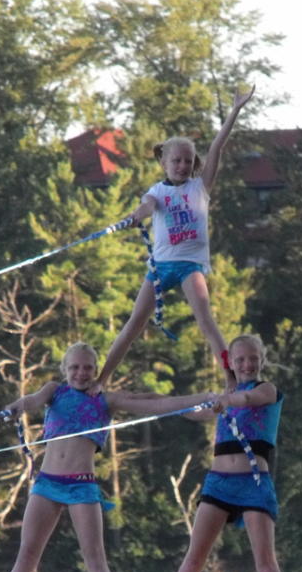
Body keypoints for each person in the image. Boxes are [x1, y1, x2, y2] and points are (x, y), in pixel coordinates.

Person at [0, 342, 220, 572]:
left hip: (82, 485)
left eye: (87, 368)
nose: (81, 373)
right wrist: (14, 409)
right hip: (47, 483)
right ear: (64, 369)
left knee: (96, 561)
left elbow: (155, 402)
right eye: (74, 367)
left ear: (97, 371)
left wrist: (206, 399)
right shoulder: (54, 391)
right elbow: (32, 400)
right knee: (26, 557)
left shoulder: (105, 400)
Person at [95, 86, 255, 389]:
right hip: (160, 267)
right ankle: (101, 379)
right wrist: (136, 216)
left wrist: (235, 110)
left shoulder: (199, 188)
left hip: (189, 265)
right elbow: (147, 206)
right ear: (165, 163)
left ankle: (230, 379)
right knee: (134, 323)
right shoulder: (157, 191)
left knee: (205, 320)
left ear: (193, 164)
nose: (182, 166)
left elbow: (217, 147)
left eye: (187, 161)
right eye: (176, 161)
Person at [149, 333, 289, 572]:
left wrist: (225, 399)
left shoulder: (267, 390)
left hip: (254, 483)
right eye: (240, 360)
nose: (247, 364)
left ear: (262, 360)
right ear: (232, 363)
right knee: (193, 560)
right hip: (219, 484)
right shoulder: (223, 398)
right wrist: (157, 403)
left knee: (266, 564)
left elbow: (247, 400)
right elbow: (190, 411)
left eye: (253, 358)